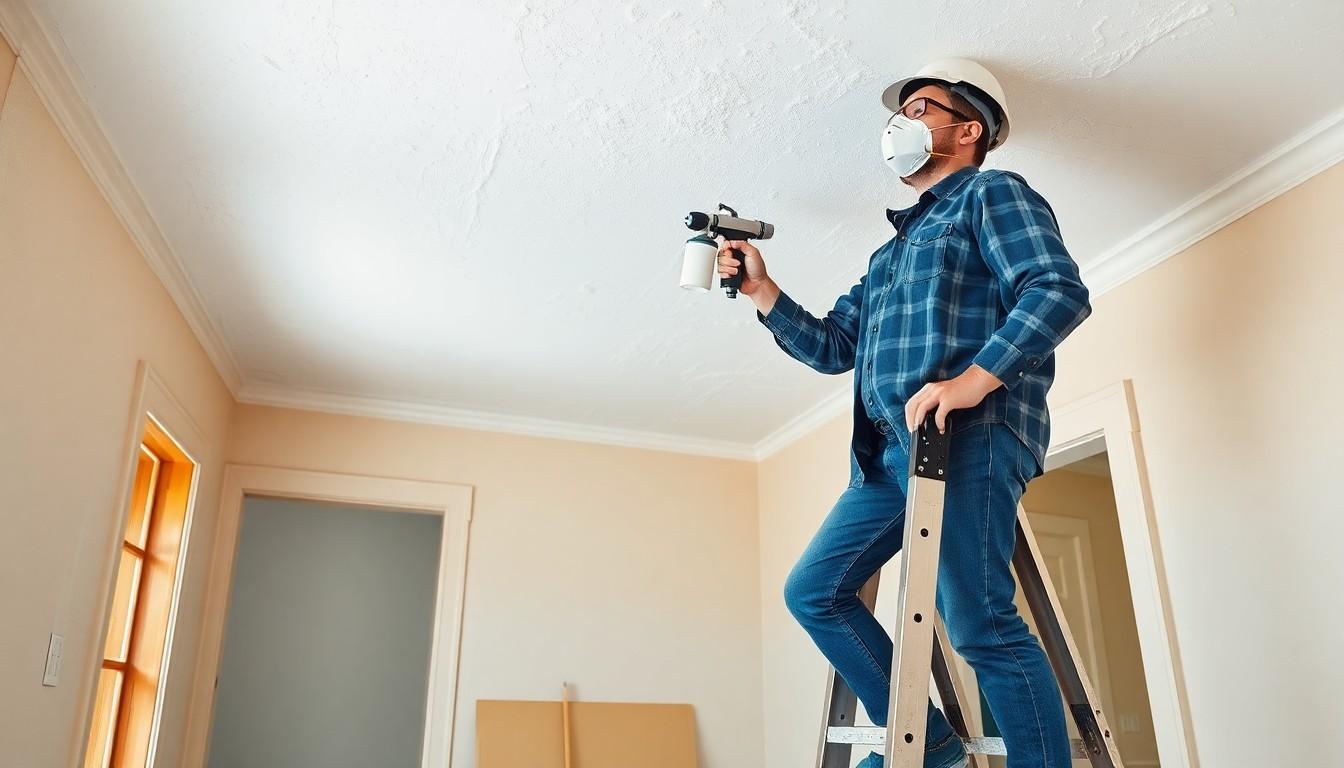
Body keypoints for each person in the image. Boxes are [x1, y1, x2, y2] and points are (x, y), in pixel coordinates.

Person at [718, 59, 1092, 768]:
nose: (901, 123)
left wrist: (975, 380)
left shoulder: (992, 195)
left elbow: (1056, 289)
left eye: (920, 108)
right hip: (886, 456)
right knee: (815, 592)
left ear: (968, 129)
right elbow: (834, 348)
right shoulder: (887, 258)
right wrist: (764, 291)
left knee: (978, 622)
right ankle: (933, 742)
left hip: (968, 437)